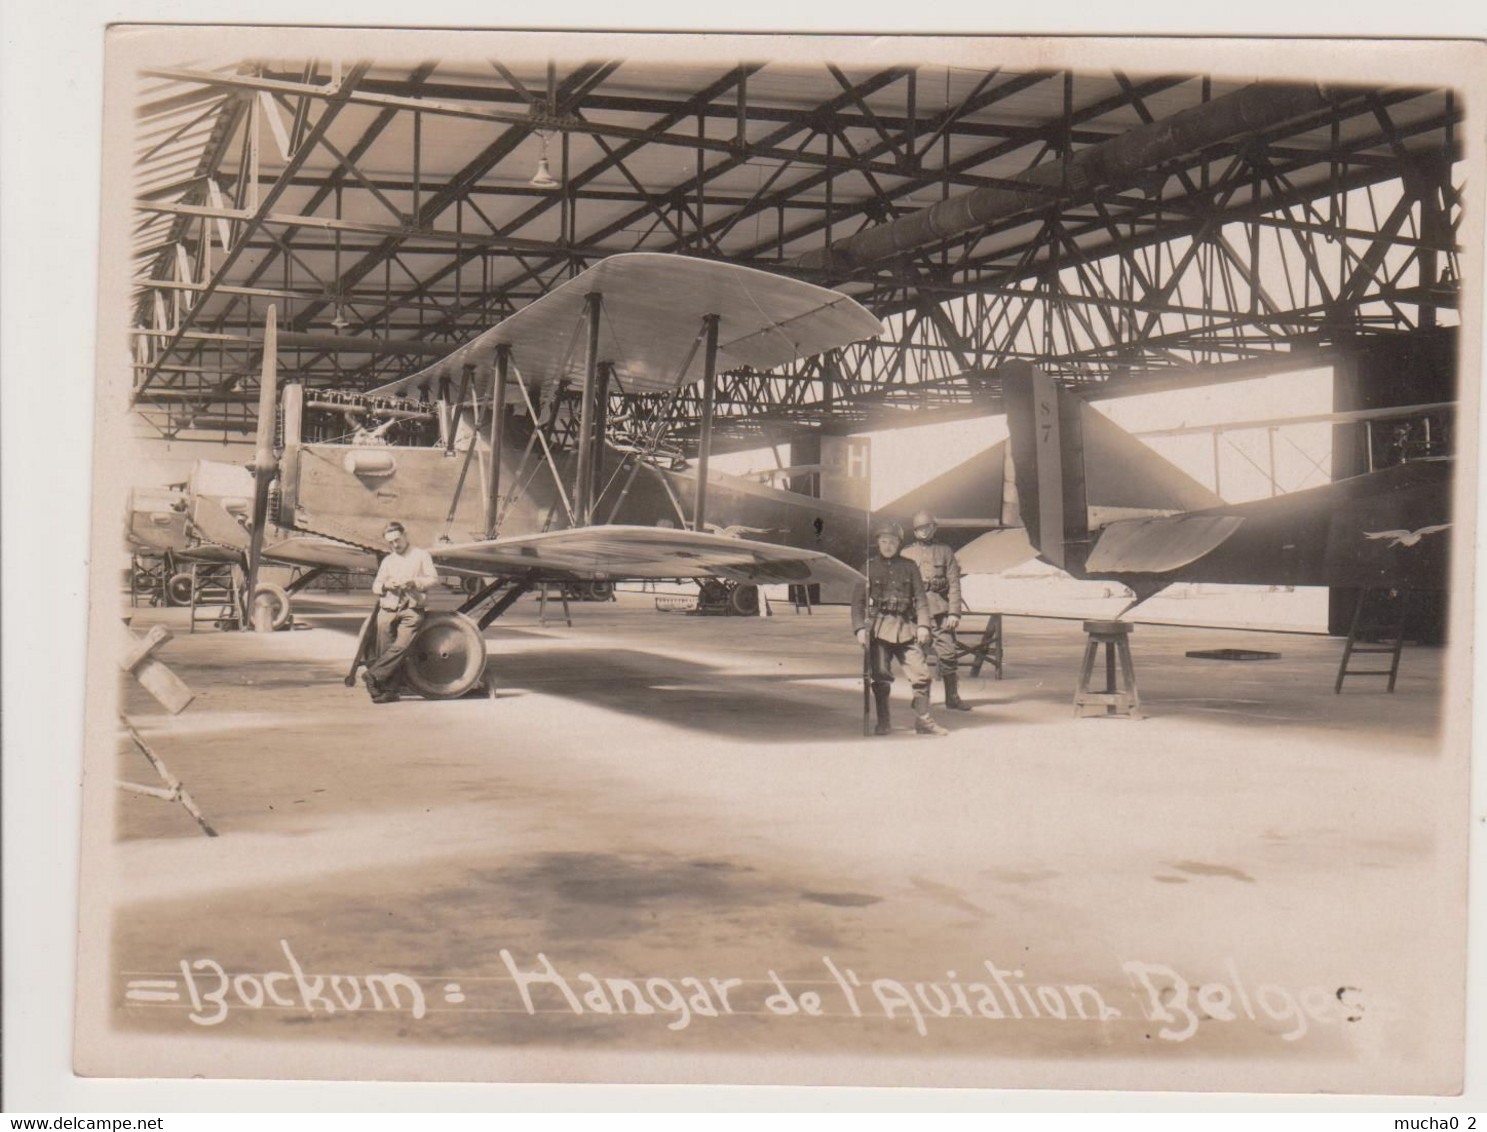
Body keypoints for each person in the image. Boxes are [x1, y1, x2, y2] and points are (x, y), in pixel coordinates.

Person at [850, 520, 949, 737]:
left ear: (899, 544)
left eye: (892, 542)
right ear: (878, 543)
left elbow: (921, 600)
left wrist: (923, 625)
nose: (887, 546)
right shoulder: (867, 568)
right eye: (883, 541)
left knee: (922, 675)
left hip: (906, 628)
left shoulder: (909, 566)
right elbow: (857, 604)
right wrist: (859, 629)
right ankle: (884, 722)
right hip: (879, 629)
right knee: (881, 676)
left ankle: (923, 721)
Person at [900, 509, 972, 711]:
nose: (923, 531)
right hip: (916, 613)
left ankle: (952, 697)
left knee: (949, 654)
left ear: (934, 528)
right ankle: (921, 699)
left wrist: (954, 612)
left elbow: (954, 583)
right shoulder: (906, 553)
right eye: (919, 528)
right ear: (915, 531)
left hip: (941, 609)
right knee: (917, 657)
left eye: (927, 527)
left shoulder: (945, 551)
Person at [363, 521, 438, 703]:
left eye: (397, 540)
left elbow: (434, 579)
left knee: (402, 646)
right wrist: (387, 585)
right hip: (388, 607)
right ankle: (389, 691)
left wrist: (414, 582)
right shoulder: (388, 560)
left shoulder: (421, 555)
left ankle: (372, 675)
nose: (395, 545)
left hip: (412, 608)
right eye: (391, 543)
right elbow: (376, 586)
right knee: (385, 648)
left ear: (405, 535)